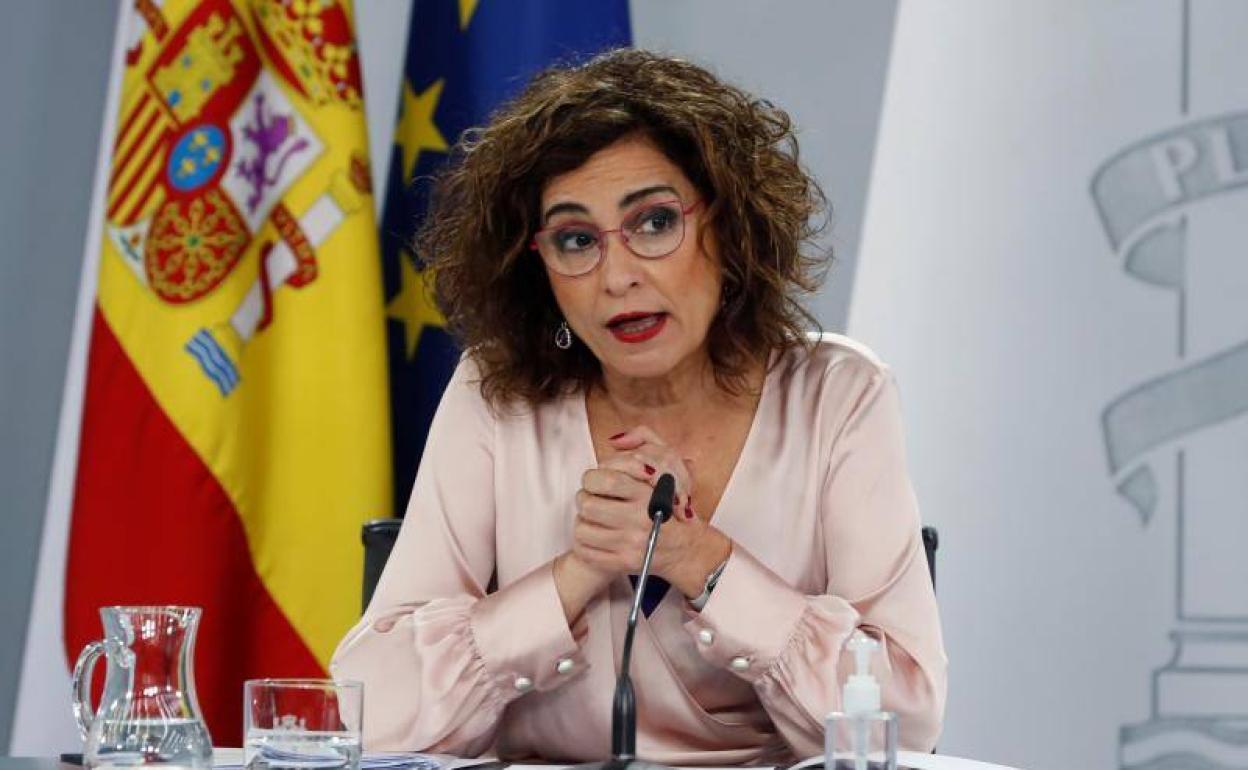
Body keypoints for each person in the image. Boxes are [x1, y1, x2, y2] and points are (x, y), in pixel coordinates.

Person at [331, 48, 946, 765]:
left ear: (729, 228)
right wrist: (578, 571)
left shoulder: (837, 395)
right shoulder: (496, 393)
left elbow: (904, 723)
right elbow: (371, 714)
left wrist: (696, 558)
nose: (617, 277)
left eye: (654, 223)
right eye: (575, 240)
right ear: (538, 266)